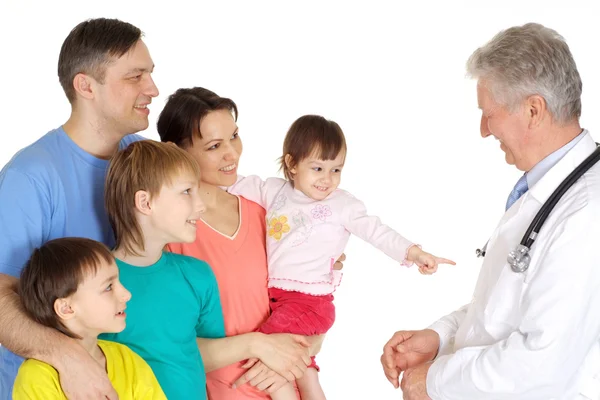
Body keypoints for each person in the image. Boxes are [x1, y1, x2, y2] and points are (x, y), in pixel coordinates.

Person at [381, 23, 600, 400]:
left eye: (489, 113)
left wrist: (432, 381)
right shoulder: (549, 192)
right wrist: (440, 336)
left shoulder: (587, 212)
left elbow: (542, 362)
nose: (484, 130)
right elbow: (506, 307)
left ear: (533, 110)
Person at [225, 114, 456, 399]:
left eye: (336, 170)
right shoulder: (273, 191)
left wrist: (414, 252)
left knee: (273, 358)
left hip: (309, 302)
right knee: (304, 368)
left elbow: (377, 232)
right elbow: (232, 183)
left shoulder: (343, 204)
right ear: (291, 164)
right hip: (277, 299)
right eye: (318, 168)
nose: (327, 179)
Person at [0, 17, 158, 399]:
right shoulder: (31, 176)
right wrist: (69, 359)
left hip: (131, 378)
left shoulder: (143, 160)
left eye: (150, 74)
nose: (152, 89)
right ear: (86, 85)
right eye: (135, 76)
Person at [157, 87, 344, 399]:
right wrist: (260, 346)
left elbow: (310, 312)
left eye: (234, 136)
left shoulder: (267, 214)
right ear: (175, 150)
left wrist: (290, 355)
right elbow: (168, 350)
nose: (232, 153)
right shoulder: (171, 236)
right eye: (215, 146)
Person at [100, 139, 227, 399]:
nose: (200, 205)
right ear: (145, 203)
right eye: (186, 192)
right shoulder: (95, 283)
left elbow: (207, 352)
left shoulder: (198, 275)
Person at [12, 237, 166, 399]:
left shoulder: (128, 360)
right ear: (67, 308)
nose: (126, 294)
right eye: (108, 287)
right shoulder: (37, 378)